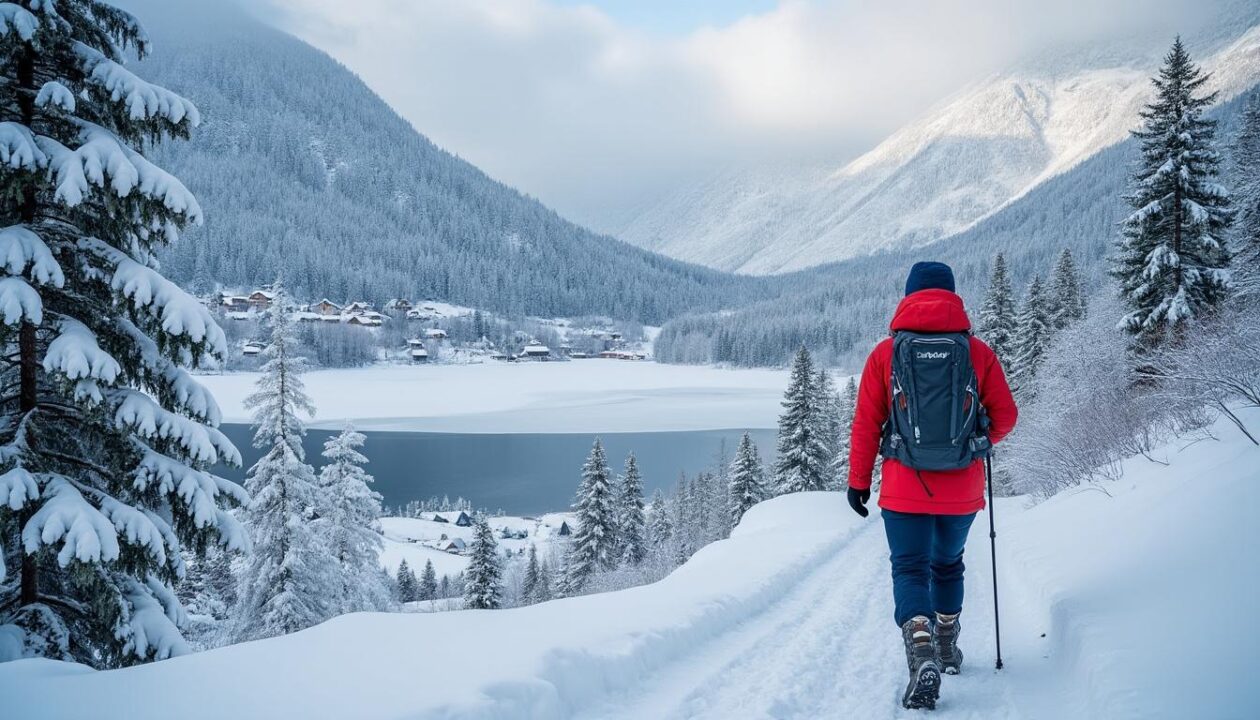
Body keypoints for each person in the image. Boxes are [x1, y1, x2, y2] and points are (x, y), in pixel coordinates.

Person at [846, 261, 1018, 709]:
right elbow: (1007, 417)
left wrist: (858, 483)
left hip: (905, 488)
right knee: (947, 565)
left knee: (909, 568)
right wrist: (975, 445)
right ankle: (946, 642)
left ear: (908, 297)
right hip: (960, 489)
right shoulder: (977, 353)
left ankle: (919, 643)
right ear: (952, 297)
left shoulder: (885, 355)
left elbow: (867, 424)